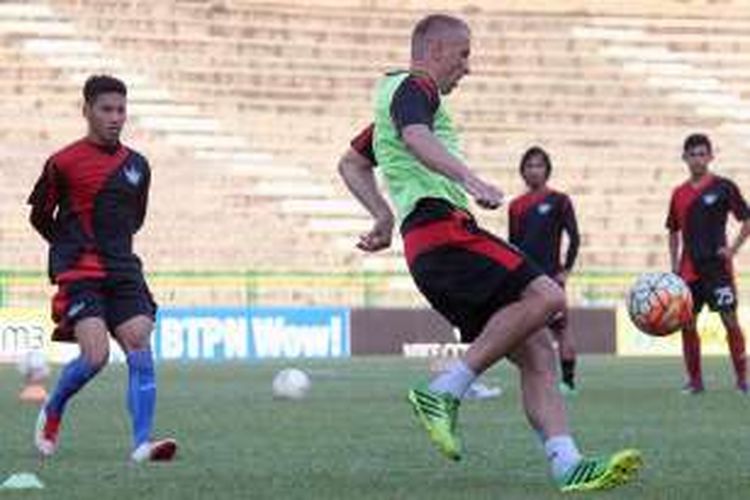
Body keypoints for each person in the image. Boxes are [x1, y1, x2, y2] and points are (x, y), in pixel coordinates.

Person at [338, 14, 640, 492]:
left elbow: (352, 163)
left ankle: (567, 463)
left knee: (540, 350)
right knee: (548, 296)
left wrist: (382, 217)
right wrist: (468, 178)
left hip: (428, 244)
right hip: (443, 230)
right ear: (435, 50)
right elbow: (416, 138)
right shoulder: (416, 86)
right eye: (463, 55)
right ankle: (444, 391)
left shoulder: (390, 102)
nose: (468, 68)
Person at [27, 75, 178, 462]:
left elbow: (134, 219)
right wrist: (69, 245)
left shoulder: (138, 166)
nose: (115, 117)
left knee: (140, 345)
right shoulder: (63, 163)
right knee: (94, 357)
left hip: (122, 268)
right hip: (81, 271)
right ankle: (54, 408)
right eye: (106, 109)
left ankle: (141, 444)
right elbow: (41, 215)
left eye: (121, 110)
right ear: (87, 111)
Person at [666, 133, 750, 394]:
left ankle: (743, 380)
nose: (698, 159)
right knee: (688, 324)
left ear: (711, 156)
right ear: (684, 158)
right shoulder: (678, 193)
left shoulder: (724, 187)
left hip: (717, 269)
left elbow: (746, 219)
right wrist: (673, 266)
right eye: (692, 154)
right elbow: (673, 230)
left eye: (702, 154)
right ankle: (695, 382)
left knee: (730, 320)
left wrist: (733, 249)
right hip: (688, 271)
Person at [509, 147, 580, 395]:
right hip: (526, 279)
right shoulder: (515, 206)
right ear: (522, 172)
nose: (534, 170)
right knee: (527, 332)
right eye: (529, 166)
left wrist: (566, 270)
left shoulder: (560, 201)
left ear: (547, 170)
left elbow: (575, 238)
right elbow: (513, 245)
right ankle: (538, 379)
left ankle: (568, 382)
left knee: (561, 329)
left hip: (551, 276)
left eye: (539, 165)